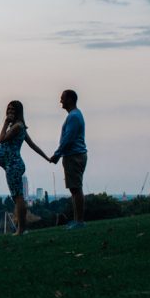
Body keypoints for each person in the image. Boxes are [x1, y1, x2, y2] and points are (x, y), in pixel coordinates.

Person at [0, 100, 52, 235]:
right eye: (8, 109)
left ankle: (21, 228)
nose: (9, 112)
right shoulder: (19, 126)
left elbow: (1, 139)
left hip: (13, 164)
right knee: (17, 197)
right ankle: (21, 227)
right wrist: (47, 158)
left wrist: (5, 123)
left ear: (19, 112)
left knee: (18, 197)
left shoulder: (17, 127)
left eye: (13, 110)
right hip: (12, 164)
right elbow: (33, 145)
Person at [49, 89, 89, 229]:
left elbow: (68, 139)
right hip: (73, 156)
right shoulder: (75, 115)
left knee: (76, 188)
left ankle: (79, 221)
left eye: (62, 98)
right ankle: (77, 220)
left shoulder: (73, 116)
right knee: (74, 189)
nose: (60, 101)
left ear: (70, 99)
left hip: (74, 156)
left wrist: (57, 155)